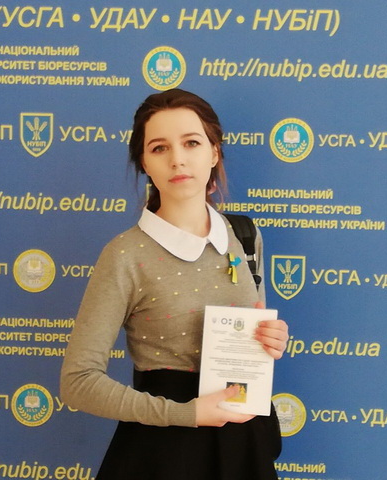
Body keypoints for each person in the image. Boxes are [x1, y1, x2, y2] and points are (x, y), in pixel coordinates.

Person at [60, 88, 289, 480]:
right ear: (144, 163)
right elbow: (78, 382)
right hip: (163, 455)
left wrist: (272, 340)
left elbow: (256, 341)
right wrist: (186, 413)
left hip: (243, 447)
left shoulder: (245, 236)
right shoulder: (125, 255)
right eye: (160, 148)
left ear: (214, 152)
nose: (178, 159)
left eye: (191, 143)